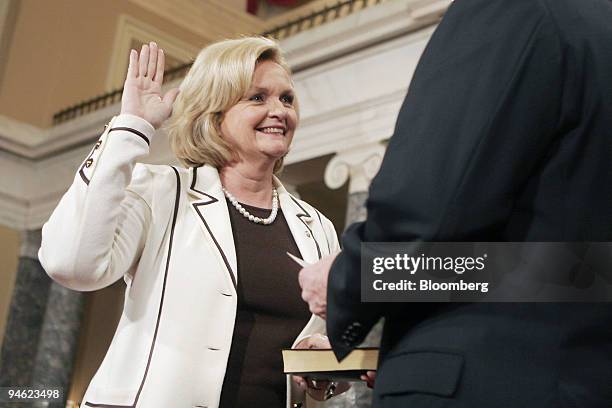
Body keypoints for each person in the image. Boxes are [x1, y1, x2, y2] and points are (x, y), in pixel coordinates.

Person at [299, 0, 612, 406]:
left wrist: (349, 280)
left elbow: (428, 210)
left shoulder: (514, 9)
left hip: (484, 377)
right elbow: (575, 270)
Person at [39, 37, 344, 408]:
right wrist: (130, 129)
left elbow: (328, 338)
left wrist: (325, 362)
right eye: (257, 98)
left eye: (287, 98)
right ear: (215, 114)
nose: (279, 110)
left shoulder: (317, 227)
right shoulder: (161, 192)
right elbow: (72, 264)